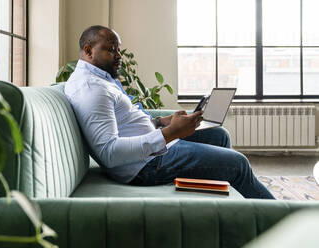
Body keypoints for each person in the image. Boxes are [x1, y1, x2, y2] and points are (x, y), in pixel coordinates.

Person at [64, 25, 275, 199]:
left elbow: (123, 122)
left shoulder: (100, 78)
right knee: (237, 164)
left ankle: (227, 204)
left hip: (150, 150)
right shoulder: (92, 89)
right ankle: (282, 218)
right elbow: (109, 153)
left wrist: (160, 122)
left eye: (118, 49)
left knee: (220, 136)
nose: (119, 56)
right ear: (89, 50)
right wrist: (171, 133)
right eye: (111, 49)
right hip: (143, 166)